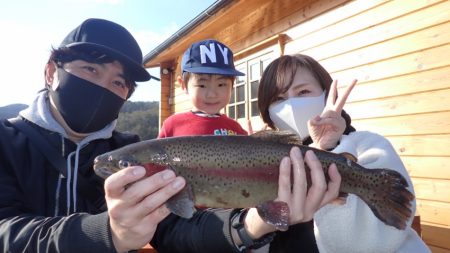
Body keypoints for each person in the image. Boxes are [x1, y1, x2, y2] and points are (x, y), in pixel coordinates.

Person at [0, 19, 341, 253]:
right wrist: (109, 233)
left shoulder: (128, 151)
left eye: (118, 83)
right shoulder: (5, 140)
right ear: (50, 71)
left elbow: (177, 229)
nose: (103, 87)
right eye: (91, 69)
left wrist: (250, 224)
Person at [257, 54, 430, 252]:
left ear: (326, 93)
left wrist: (330, 150)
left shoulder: (368, 145)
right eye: (279, 99)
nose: (290, 105)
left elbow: (377, 238)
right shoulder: (268, 161)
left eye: (303, 91)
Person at [158, 39, 247, 137]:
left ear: (232, 85)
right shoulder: (172, 126)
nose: (212, 95)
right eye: (202, 85)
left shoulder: (236, 130)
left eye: (221, 85)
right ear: (183, 85)